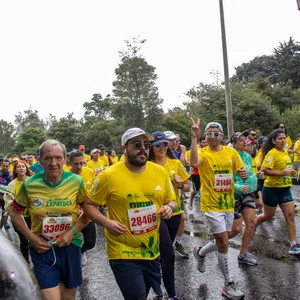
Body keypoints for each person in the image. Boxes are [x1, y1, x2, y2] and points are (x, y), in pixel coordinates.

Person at [83, 127, 176, 300]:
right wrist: (106, 222)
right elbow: (89, 205)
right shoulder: (107, 176)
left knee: (144, 292)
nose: (143, 148)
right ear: (124, 148)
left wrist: (169, 207)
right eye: (137, 144)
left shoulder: (159, 172)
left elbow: (171, 200)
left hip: (151, 250)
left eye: (146, 145)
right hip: (122, 251)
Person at [11, 139, 90, 300]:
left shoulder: (76, 181)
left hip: (70, 246)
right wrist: (31, 237)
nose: (53, 163)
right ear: (39, 160)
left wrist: (71, 233)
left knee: (68, 297)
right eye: (47, 158)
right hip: (42, 249)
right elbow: (14, 213)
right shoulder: (30, 184)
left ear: (65, 159)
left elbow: (89, 212)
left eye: (58, 158)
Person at [190, 120, 247, 300]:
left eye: (216, 134)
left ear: (222, 136)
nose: (212, 137)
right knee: (223, 240)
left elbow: (240, 170)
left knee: (225, 238)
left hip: (228, 203)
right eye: (209, 133)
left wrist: (243, 173)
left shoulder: (231, 152)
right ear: (205, 136)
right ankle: (228, 283)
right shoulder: (203, 153)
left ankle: (200, 252)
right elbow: (193, 162)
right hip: (211, 204)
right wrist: (194, 138)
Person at [149, 132, 190, 299]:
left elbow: (187, 187)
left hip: (175, 213)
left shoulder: (175, 163)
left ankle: (156, 280)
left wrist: (181, 185)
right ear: (152, 147)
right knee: (169, 254)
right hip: (157, 215)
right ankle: (171, 294)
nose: (162, 148)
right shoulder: (147, 165)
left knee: (162, 253)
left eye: (165, 144)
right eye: (158, 145)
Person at [256, 129, 300, 255]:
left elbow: (286, 170)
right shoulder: (271, 154)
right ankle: (252, 226)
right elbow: (264, 170)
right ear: (274, 141)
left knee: (290, 215)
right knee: (267, 216)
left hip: (285, 189)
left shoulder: (285, 153)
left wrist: (289, 172)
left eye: (284, 138)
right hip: (271, 189)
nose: (283, 140)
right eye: (280, 138)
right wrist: (282, 173)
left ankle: (293, 244)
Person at [229, 132, 259, 266]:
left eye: (244, 140)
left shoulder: (247, 156)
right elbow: (222, 178)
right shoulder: (228, 156)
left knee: (251, 223)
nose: (244, 142)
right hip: (233, 194)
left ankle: (243, 254)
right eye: (240, 140)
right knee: (235, 229)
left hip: (247, 194)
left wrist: (254, 187)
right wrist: (237, 187)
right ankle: (216, 243)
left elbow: (250, 175)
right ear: (234, 143)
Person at [69, 150, 96, 266]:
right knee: (72, 241)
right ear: (70, 163)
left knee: (91, 242)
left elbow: (95, 190)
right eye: (76, 164)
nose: (79, 166)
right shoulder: (65, 176)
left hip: (88, 213)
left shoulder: (90, 172)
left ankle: (81, 251)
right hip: (72, 215)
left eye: (82, 163)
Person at [3, 160, 33, 264]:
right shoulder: (12, 185)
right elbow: (8, 202)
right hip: (18, 218)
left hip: (33, 217)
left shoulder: (32, 181)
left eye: (23, 166)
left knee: (34, 239)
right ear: (15, 170)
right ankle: (26, 262)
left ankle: (37, 260)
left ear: (26, 169)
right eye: (18, 167)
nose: (21, 168)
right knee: (24, 240)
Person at [189, 136, 207, 210]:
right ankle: (190, 201)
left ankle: (205, 204)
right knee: (196, 191)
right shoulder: (197, 149)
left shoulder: (207, 149)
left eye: (206, 142)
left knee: (206, 189)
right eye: (203, 142)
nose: (205, 144)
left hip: (205, 173)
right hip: (196, 174)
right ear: (199, 142)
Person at [0, 159, 12, 229]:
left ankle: (2, 225)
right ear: (1, 165)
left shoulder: (11, 175)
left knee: (4, 214)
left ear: (9, 167)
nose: (4, 167)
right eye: (3, 166)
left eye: (6, 166)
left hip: (6, 197)